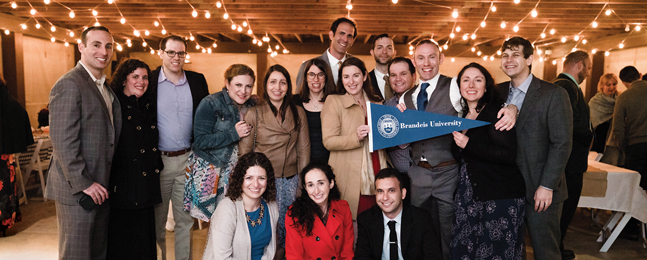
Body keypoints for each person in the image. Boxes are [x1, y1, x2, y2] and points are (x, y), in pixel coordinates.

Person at [396, 39, 517, 259]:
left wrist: (512, 107)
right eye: (420, 58)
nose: (426, 63)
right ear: (414, 61)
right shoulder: (406, 96)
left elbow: (487, 93)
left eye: (432, 56)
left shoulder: (455, 85)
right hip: (418, 175)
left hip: (448, 173)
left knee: (452, 234)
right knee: (419, 231)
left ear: (440, 58)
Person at [45, 26, 122, 259]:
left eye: (108, 46)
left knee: (97, 253)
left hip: (100, 187)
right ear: (81, 47)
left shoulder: (104, 87)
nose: (104, 51)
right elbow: (62, 142)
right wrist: (84, 183)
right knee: (77, 254)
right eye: (96, 45)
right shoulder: (69, 84)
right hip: (77, 190)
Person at [497, 36, 572, 260]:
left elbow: (562, 143)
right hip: (505, 190)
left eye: (515, 55)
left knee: (545, 250)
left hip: (540, 190)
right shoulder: (497, 92)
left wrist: (547, 185)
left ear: (530, 59)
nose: (509, 60)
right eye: (504, 56)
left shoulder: (553, 94)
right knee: (509, 250)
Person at [449, 63, 526, 260]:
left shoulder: (497, 112)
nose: (471, 85)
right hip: (470, 195)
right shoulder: (463, 115)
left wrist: (469, 143)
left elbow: (508, 155)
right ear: (459, 87)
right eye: (466, 80)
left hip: (498, 196)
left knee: (494, 253)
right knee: (465, 250)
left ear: (486, 86)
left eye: (478, 80)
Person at [239, 64, 310, 258]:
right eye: (272, 82)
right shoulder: (255, 113)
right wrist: (246, 183)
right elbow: (245, 152)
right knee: (267, 230)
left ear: (288, 86)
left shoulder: (298, 112)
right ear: (265, 85)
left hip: (291, 179)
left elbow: (303, 149)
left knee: (289, 229)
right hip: (262, 182)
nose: (277, 87)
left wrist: (302, 184)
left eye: (282, 82)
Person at [151, 35, 209, 260]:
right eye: (171, 52)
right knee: (157, 222)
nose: (176, 57)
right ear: (161, 53)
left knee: (185, 222)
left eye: (181, 53)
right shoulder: (150, 80)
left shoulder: (197, 80)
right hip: (159, 162)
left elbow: (208, 113)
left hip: (188, 159)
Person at [106, 59, 163, 260]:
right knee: (124, 242)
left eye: (145, 77)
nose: (141, 81)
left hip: (146, 184)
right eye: (135, 77)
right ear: (124, 80)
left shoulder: (147, 104)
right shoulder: (115, 105)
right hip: (124, 185)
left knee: (145, 241)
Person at [321, 57, 389, 220]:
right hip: (349, 173)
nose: (351, 81)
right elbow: (328, 141)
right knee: (352, 223)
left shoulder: (378, 103)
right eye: (346, 77)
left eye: (356, 75)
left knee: (377, 220)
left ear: (365, 76)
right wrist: (354, 137)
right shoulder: (334, 101)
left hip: (377, 165)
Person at [186, 64, 256, 222]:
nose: (243, 91)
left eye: (248, 86)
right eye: (238, 85)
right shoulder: (210, 103)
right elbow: (200, 140)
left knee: (238, 222)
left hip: (240, 172)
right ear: (227, 83)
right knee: (219, 223)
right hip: (213, 172)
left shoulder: (252, 105)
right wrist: (233, 134)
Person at [551, 50, 593, 260]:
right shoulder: (566, 86)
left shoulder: (561, 85)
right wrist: (589, 133)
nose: (589, 71)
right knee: (565, 207)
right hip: (569, 160)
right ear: (579, 65)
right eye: (589, 66)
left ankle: (557, 245)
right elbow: (569, 122)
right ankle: (555, 248)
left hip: (569, 159)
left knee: (564, 208)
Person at [202, 152, 279, 260]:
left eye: (261, 178)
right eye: (249, 178)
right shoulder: (227, 209)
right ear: (240, 179)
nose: (256, 184)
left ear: (268, 180)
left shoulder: (271, 206)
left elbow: (269, 252)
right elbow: (222, 258)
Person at [355, 168, 442, 259]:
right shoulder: (366, 219)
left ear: (403, 193)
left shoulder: (421, 219)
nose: (385, 198)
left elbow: (433, 257)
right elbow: (362, 257)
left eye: (391, 190)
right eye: (380, 191)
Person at [285, 163, 354, 259]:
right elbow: (294, 256)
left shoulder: (343, 208)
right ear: (305, 188)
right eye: (310, 185)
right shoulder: (294, 214)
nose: (316, 191)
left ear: (331, 183)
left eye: (321, 183)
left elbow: (347, 253)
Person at [0, 71, 34, 236]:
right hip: (5, 154)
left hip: (4, 154)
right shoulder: (6, 96)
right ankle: (5, 221)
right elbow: (20, 112)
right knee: (5, 189)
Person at [295, 58, 337, 164]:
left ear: (326, 77)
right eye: (311, 74)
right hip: (302, 162)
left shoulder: (335, 102)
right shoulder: (295, 102)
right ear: (305, 78)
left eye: (321, 74)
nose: (316, 79)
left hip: (331, 161)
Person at [612, 66, 647, 190]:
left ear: (624, 82)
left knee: (635, 187)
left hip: (635, 147)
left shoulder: (624, 97)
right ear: (640, 75)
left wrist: (624, 147)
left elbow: (617, 127)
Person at [296, 17, 357, 89]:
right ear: (331, 35)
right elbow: (300, 97)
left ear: (353, 40)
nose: (345, 39)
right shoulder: (307, 66)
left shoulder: (357, 65)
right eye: (341, 33)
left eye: (349, 36)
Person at [384, 57, 415, 173]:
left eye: (403, 74)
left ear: (414, 76)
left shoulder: (426, 102)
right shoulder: (386, 108)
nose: (398, 79)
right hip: (399, 175)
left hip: (427, 176)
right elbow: (383, 144)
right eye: (393, 75)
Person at [589, 73, 619, 153]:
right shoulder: (595, 101)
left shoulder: (620, 100)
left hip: (614, 139)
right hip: (598, 138)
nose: (612, 87)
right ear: (602, 86)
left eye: (614, 84)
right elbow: (590, 123)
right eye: (608, 85)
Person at [369, 34, 396, 100]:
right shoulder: (365, 80)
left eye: (389, 48)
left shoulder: (402, 79)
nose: (384, 51)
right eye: (379, 47)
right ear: (372, 52)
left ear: (394, 53)